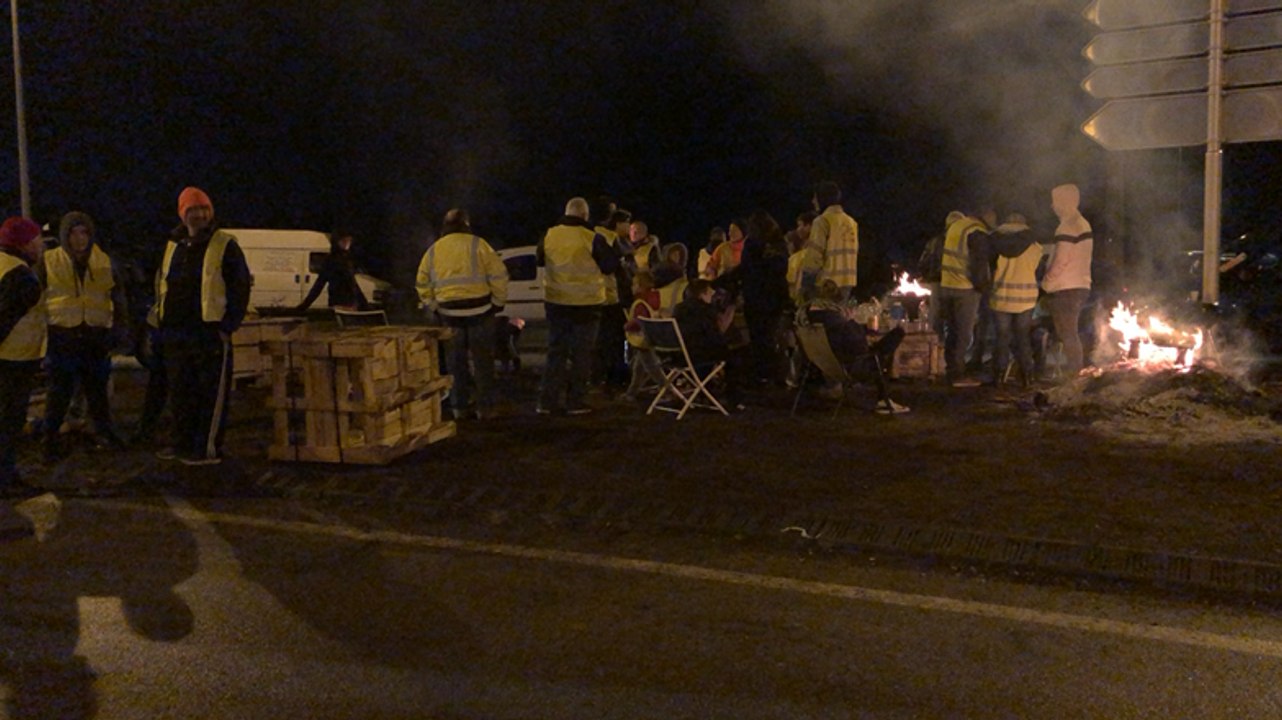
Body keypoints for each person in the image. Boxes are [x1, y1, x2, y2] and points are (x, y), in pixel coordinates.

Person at [153, 187, 252, 465]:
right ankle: (182, 444)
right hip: (176, 332)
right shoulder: (173, 245)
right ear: (182, 214)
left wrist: (228, 325)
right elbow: (163, 283)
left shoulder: (225, 244)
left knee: (210, 393)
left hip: (209, 331)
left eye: (203, 209)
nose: (199, 215)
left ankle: (206, 449)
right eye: (192, 210)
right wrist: (161, 322)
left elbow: (240, 286)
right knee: (181, 392)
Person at [38, 211, 129, 459]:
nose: (79, 239)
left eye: (84, 233)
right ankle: (50, 439)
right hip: (62, 336)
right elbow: (37, 302)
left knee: (97, 391)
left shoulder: (105, 261)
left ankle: (105, 433)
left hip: (95, 336)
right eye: (73, 233)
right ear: (64, 236)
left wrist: (119, 332)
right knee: (59, 392)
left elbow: (118, 299)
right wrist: (41, 338)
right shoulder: (48, 261)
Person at [416, 208, 509, 420]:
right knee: (483, 362)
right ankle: (485, 409)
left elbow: (422, 282)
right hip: (481, 312)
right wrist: (498, 302)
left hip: (449, 314)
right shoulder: (479, 245)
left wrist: (433, 306)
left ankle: (459, 407)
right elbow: (499, 275)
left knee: (455, 363)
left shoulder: (434, 250)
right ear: (466, 224)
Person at [536, 197, 620, 415]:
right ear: (585, 215)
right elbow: (610, 266)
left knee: (556, 352)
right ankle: (575, 401)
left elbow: (539, 259)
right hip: (586, 305)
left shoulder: (549, 234)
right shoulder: (591, 237)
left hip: (556, 302)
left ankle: (547, 401)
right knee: (582, 354)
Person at [800, 279, 908, 414]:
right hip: (852, 368)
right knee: (895, 337)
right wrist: (852, 322)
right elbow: (860, 347)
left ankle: (884, 398)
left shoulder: (808, 320)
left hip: (824, 365)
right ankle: (883, 399)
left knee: (881, 348)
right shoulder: (837, 322)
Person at [0, 218, 46, 495]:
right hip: (14, 360)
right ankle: (4, 480)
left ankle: (7, 473)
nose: (41, 246)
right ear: (24, 243)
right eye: (37, 240)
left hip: (9, 359)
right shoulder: (21, 277)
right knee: (8, 422)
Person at [1041, 183, 1094, 377]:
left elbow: (1061, 259)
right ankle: (1075, 374)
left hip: (1065, 287)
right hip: (1080, 285)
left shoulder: (1067, 226)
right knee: (1070, 333)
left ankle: (1074, 377)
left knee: (1067, 333)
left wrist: (1047, 281)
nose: (1052, 206)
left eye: (1055, 201)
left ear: (1064, 202)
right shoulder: (1082, 223)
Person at [986, 214, 1044, 388]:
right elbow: (1038, 271)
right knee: (1023, 337)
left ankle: (999, 377)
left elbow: (989, 268)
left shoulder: (994, 243)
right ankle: (1027, 376)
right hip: (1026, 299)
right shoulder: (1035, 247)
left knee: (1002, 337)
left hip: (1001, 297)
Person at [673, 278, 744, 411]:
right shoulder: (705, 310)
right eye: (709, 291)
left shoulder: (678, 309)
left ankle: (704, 390)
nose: (713, 293)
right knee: (735, 356)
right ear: (702, 294)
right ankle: (733, 398)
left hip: (679, 356)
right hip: (699, 355)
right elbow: (714, 336)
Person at [937, 210, 990, 387]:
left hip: (947, 285)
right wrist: (983, 288)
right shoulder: (976, 231)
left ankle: (951, 369)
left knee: (952, 331)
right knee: (964, 334)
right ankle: (958, 374)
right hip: (965, 288)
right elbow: (978, 264)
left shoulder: (956, 226)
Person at [740, 210, 790, 384]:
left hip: (755, 297)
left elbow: (747, 269)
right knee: (771, 336)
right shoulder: (779, 244)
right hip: (774, 297)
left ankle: (762, 374)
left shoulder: (752, 244)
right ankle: (775, 375)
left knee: (758, 338)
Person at [591, 198, 630, 389]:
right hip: (610, 296)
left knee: (600, 340)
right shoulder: (608, 238)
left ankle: (599, 376)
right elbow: (613, 267)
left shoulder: (590, 234)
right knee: (614, 340)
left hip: (594, 295)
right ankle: (615, 376)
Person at [802, 181, 859, 301]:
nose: (813, 201)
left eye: (815, 197)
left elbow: (814, 256)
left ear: (822, 198)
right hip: (847, 283)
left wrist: (806, 283)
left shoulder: (822, 221)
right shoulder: (851, 223)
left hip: (826, 286)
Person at [297, 231, 368, 311]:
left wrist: (364, 304)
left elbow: (353, 284)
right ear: (337, 242)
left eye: (349, 240)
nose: (347, 243)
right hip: (340, 303)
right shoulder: (333, 260)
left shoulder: (346, 259)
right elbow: (319, 285)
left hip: (347, 303)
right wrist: (304, 306)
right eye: (344, 240)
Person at [622, 270, 664, 400]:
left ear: (641, 286)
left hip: (643, 339)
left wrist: (627, 326)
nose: (632, 287)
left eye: (634, 284)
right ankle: (632, 392)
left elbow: (639, 322)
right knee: (639, 366)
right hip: (652, 336)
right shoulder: (654, 298)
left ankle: (666, 388)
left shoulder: (640, 303)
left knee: (651, 367)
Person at [654, 242, 690, 316]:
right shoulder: (663, 271)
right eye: (674, 254)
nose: (677, 257)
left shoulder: (683, 273)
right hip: (664, 302)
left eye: (679, 255)